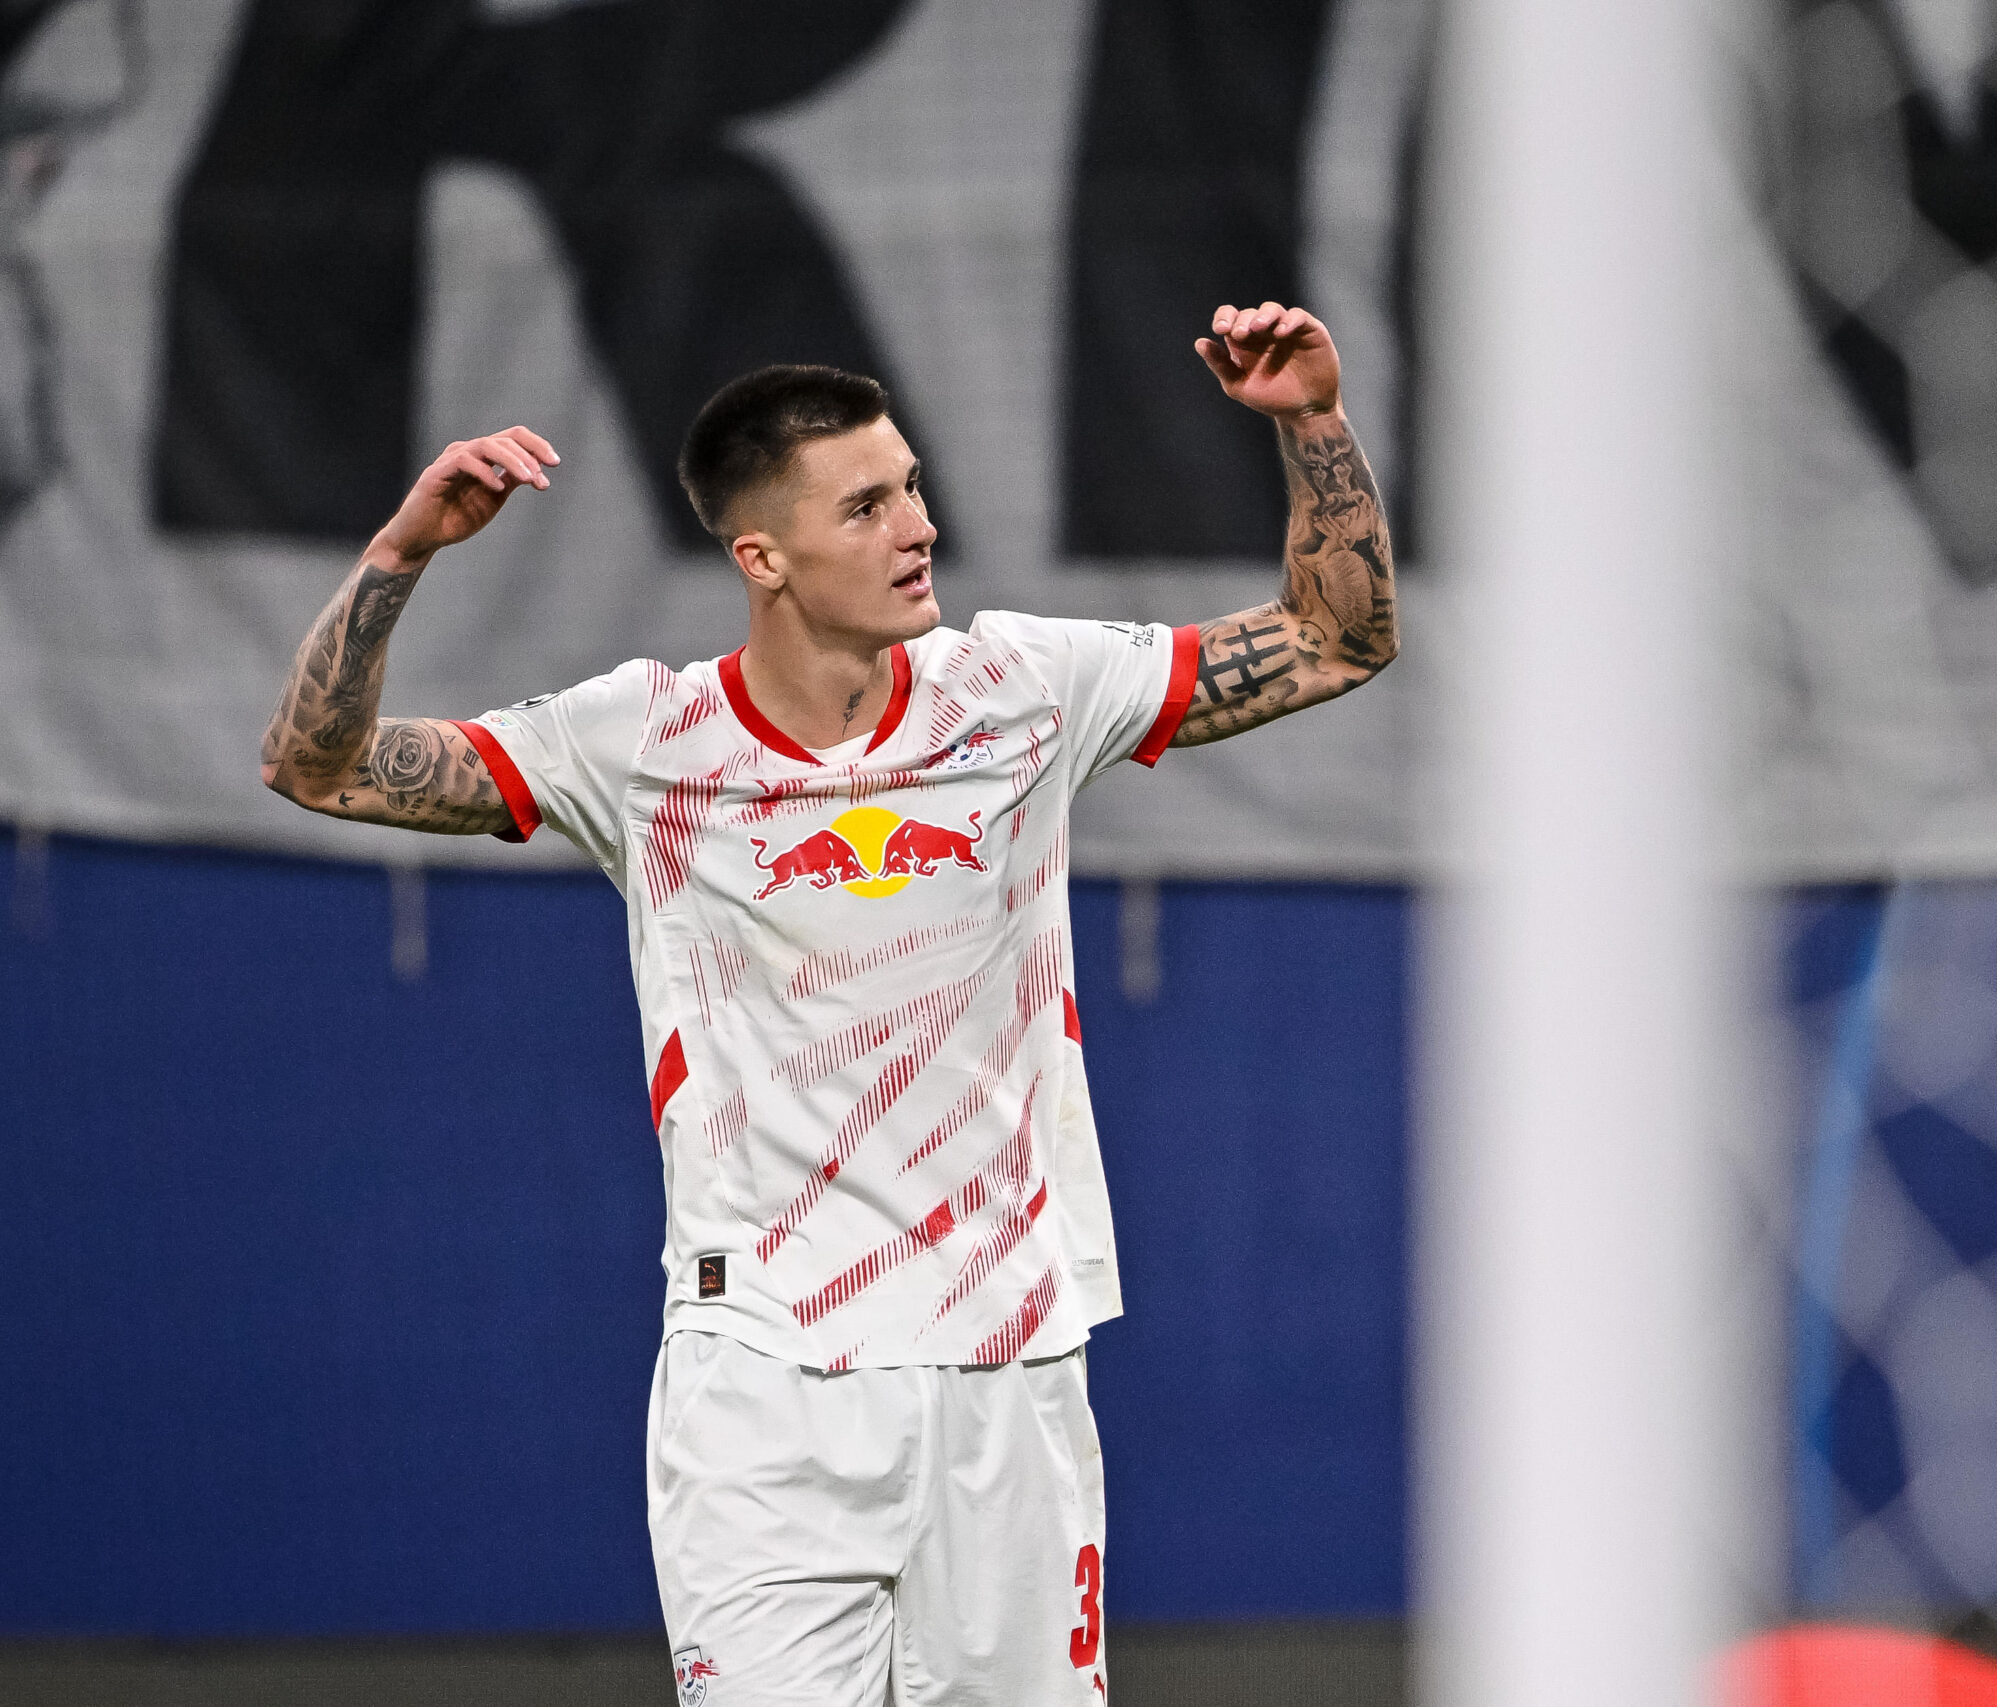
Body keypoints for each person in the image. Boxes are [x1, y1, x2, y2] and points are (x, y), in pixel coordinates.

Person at [259, 301, 1395, 1704]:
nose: (917, 525)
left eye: (911, 486)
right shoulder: (646, 744)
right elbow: (325, 768)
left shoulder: (1024, 692)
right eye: (866, 506)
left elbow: (1335, 640)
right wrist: (400, 555)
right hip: (765, 1388)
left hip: (1005, 1368)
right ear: (763, 558)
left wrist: (1310, 422)